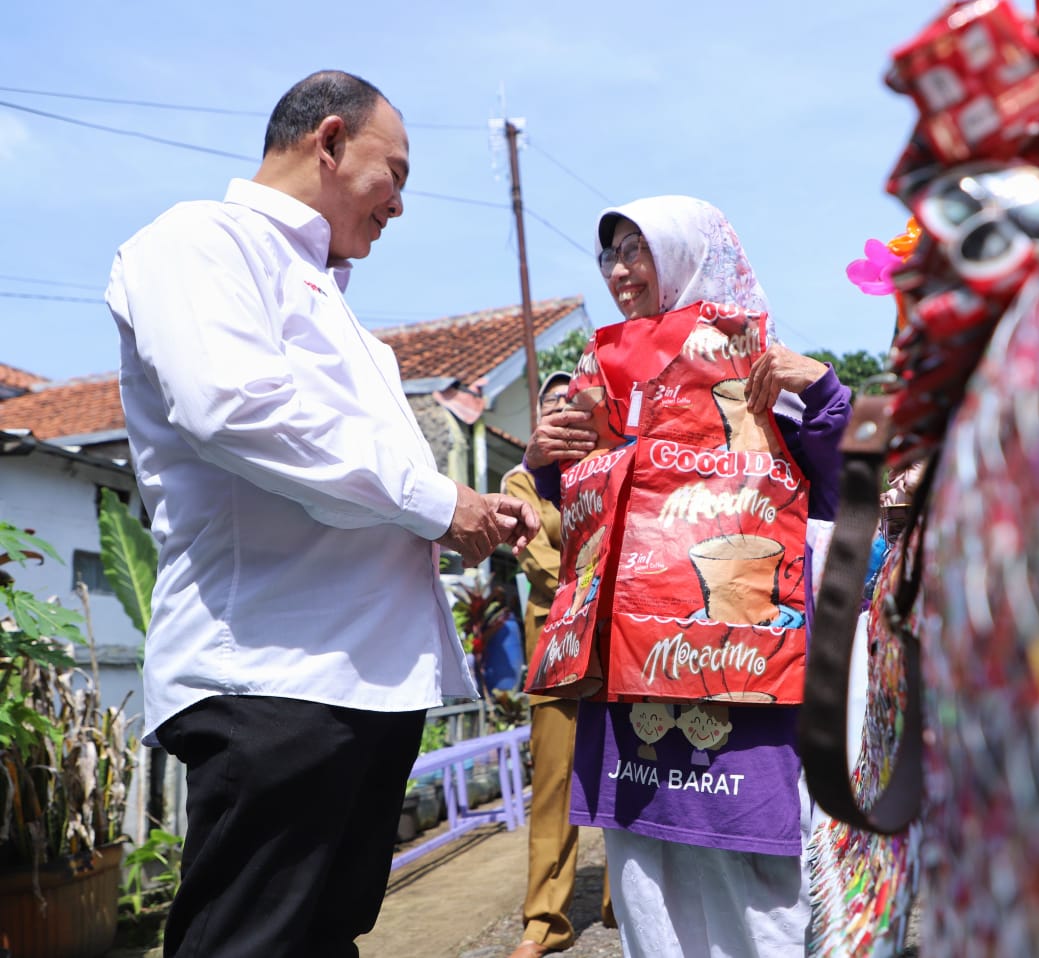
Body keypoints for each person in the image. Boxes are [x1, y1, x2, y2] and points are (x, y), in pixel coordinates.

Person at [105, 70, 539, 957]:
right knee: (250, 942)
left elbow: (359, 478)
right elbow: (233, 409)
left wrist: (465, 512)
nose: (399, 205)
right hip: (276, 676)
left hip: (356, 683)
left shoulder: (332, 304)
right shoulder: (201, 239)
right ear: (330, 141)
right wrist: (436, 501)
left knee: (320, 938)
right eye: (396, 174)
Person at [523, 195, 851, 957]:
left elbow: (849, 491)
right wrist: (545, 465)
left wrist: (826, 391)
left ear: (687, 257)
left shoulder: (763, 375)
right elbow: (585, 524)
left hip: (746, 692)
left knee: (756, 888)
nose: (619, 271)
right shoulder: (601, 383)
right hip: (630, 683)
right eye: (610, 254)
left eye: (637, 249)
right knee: (647, 882)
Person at [501, 370, 615, 958]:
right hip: (557, 646)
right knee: (553, 784)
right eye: (553, 406)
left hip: (617, 643)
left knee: (627, 769)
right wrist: (597, 590)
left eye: (574, 405)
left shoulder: (610, 466)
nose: (564, 413)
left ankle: (624, 902)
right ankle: (544, 920)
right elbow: (540, 563)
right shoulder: (522, 480)